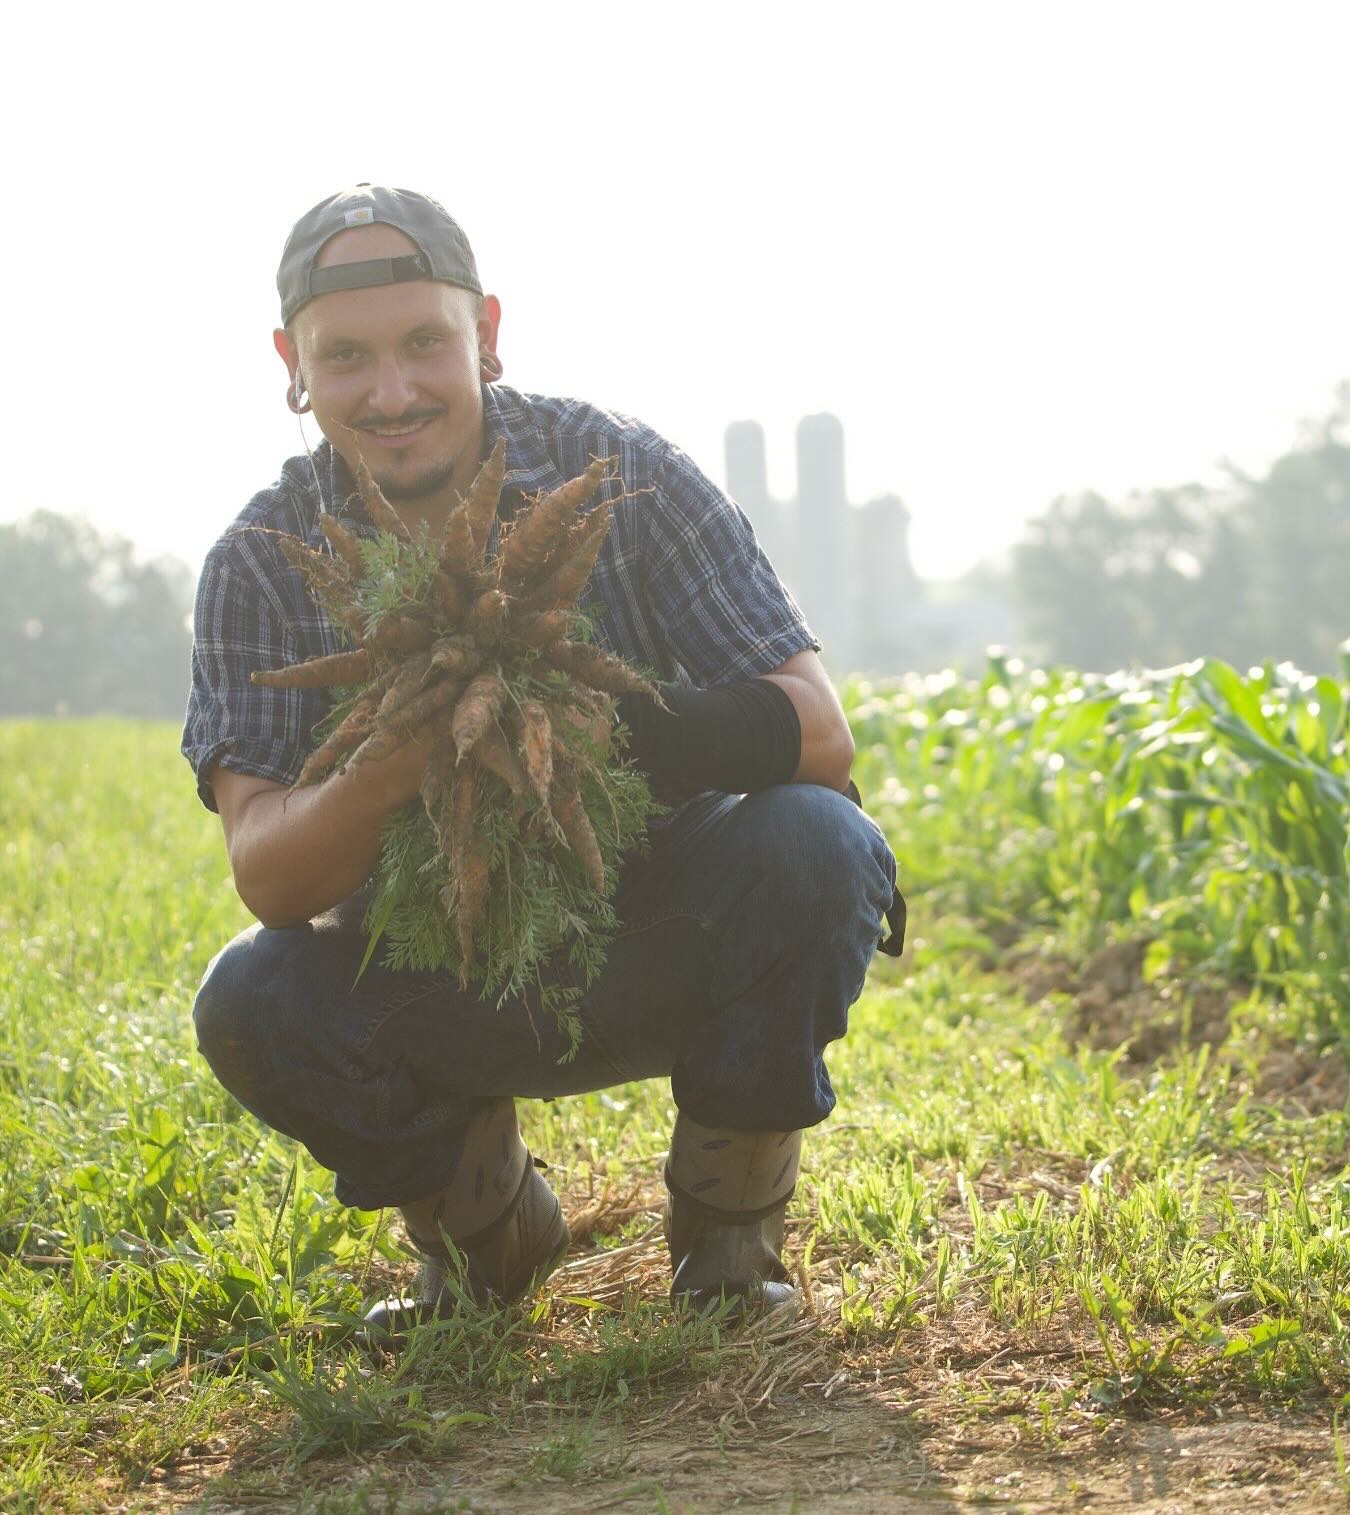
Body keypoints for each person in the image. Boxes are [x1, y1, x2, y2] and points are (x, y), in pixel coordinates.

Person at [183, 184, 903, 1335]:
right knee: (252, 998)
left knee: (819, 839)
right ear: (293, 362)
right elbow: (270, 876)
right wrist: (405, 747)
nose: (394, 390)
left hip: (668, 934)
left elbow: (819, 733)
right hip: (442, 975)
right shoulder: (264, 562)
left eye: (426, 342)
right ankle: (486, 1235)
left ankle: (728, 1240)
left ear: (488, 332)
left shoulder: (618, 471)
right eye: (348, 356)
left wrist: (580, 715)